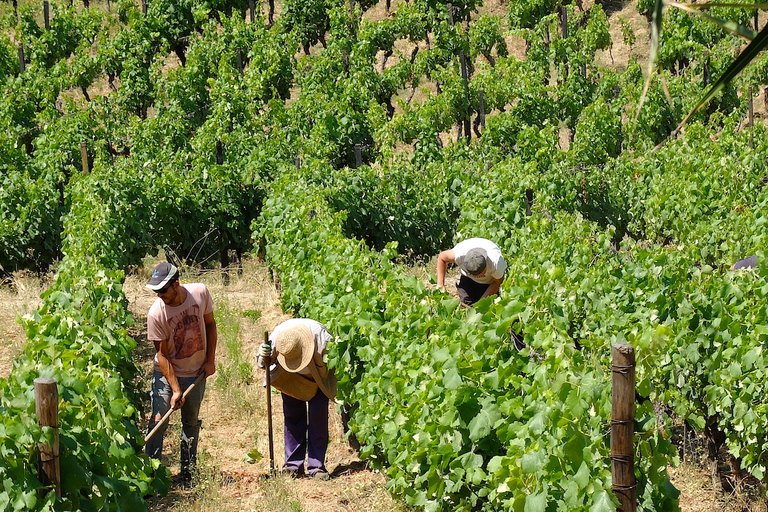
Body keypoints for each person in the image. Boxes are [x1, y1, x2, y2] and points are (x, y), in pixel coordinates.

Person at [144, 262, 217, 487]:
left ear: (176, 284)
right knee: (158, 420)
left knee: (190, 422)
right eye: (156, 291)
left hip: (196, 373)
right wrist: (175, 389)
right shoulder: (156, 313)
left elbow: (211, 325)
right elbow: (162, 356)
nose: (160, 295)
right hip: (167, 375)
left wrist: (210, 360)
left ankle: (188, 474)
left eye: (163, 290)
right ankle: (150, 475)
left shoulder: (200, 293)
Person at [257, 318, 337, 480]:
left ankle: (317, 467)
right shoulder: (279, 339)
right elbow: (262, 363)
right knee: (293, 417)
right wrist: (262, 355)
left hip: (318, 376)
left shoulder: (321, 338)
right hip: (289, 376)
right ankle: (293, 466)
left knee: (318, 418)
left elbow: (333, 363)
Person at [436, 237, 507, 307]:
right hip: (467, 280)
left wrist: (481, 302)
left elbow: (497, 282)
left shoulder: (496, 262)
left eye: (480, 275)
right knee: (465, 306)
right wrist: (440, 284)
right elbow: (442, 258)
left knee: (486, 308)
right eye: (474, 274)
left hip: (489, 284)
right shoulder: (460, 254)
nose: (477, 277)